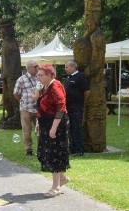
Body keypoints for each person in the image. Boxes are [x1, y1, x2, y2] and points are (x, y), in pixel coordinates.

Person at [33, 64, 69, 196]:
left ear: (50, 75)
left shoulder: (55, 86)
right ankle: (62, 178)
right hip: (46, 123)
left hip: (56, 124)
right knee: (45, 152)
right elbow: (40, 104)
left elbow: (61, 108)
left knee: (54, 154)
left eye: (41, 75)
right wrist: (39, 122)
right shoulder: (45, 87)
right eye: (38, 75)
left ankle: (56, 187)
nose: (39, 77)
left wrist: (53, 128)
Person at [63, 60, 90, 156]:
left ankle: (79, 149)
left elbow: (86, 91)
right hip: (68, 106)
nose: (65, 69)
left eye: (67, 67)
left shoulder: (80, 77)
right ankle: (72, 147)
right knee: (70, 128)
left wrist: (82, 102)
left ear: (73, 67)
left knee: (77, 127)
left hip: (77, 106)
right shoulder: (68, 78)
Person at [13, 61, 39, 156]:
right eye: (35, 66)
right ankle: (28, 149)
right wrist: (23, 101)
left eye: (37, 66)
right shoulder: (21, 79)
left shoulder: (39, 78)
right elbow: (16, 93)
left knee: (39, 130)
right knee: (26, 130)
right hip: (26, 109)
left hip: (39, 109)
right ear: (28, 68)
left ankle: (40, 148)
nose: (37, 68)